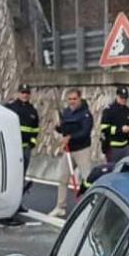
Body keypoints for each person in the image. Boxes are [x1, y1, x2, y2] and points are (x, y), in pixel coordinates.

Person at [49, 88, 95, 216]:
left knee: (87, 179)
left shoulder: (86, 114)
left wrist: (70, 137)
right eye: (69, 99)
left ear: (79, 99)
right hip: (68, 151)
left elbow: (85, 132)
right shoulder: (66, 112)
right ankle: (60, 207)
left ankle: (91, 207)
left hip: (82, 150)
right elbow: (65, 129)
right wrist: (59, 128)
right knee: (63, 177)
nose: (72, 101)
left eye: (74, 99)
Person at [98, 86, 129, 165]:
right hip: (113, 147)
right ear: (117, 96)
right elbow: (104, 129)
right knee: (113, 169)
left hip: (126, 146)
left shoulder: (127, 111)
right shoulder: (109, 110)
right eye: (122, 98)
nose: (124, 100)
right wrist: (120, 129)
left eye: (125, 98)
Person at [6, 85, 40, 170]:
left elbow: (35, 129)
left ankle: (21, 183)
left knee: (22, 171)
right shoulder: (10, 107)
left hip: (26, 148)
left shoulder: (33, 111)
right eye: (23, 92)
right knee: (12, 171)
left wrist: (32, 142)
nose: (25, 95)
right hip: (12, 147)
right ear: (18, 93)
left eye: (27, 93)